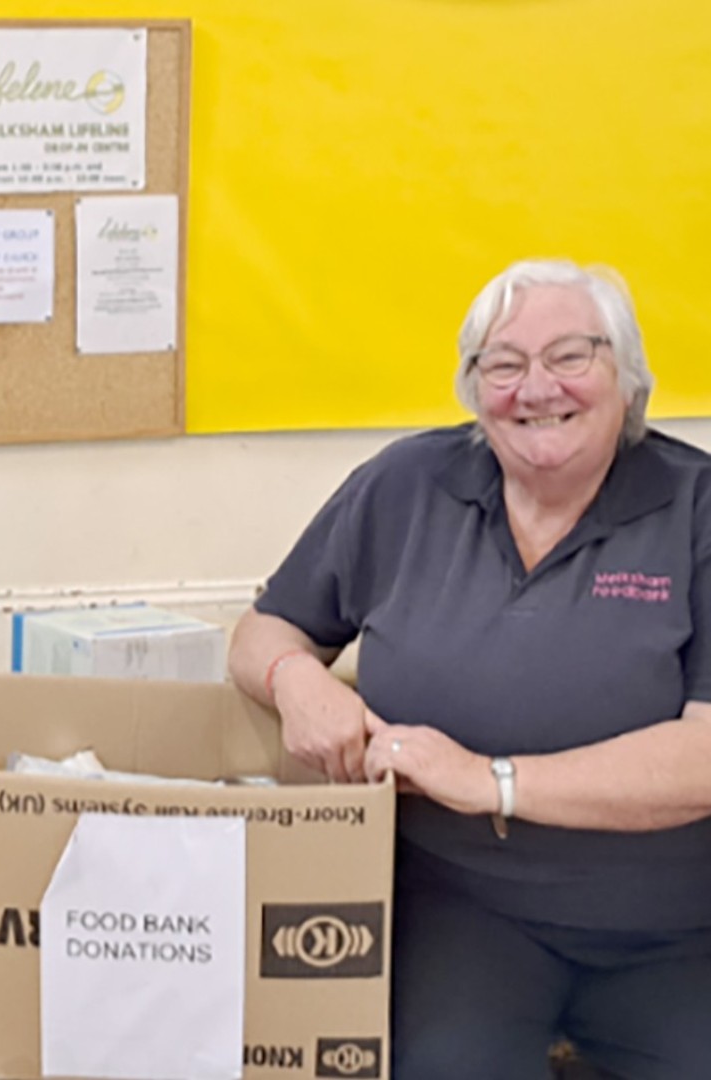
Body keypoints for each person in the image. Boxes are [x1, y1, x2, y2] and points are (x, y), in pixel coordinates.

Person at [229, 259, 711, 1078]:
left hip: (676, 927)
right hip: (461, 912)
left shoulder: (695, 509)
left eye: (570, 356)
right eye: (504, 364)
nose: (536, 388)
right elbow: (264, 630)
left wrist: (492, 781)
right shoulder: (405, 486)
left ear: (627, 378)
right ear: (472, 387)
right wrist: (297, 682)